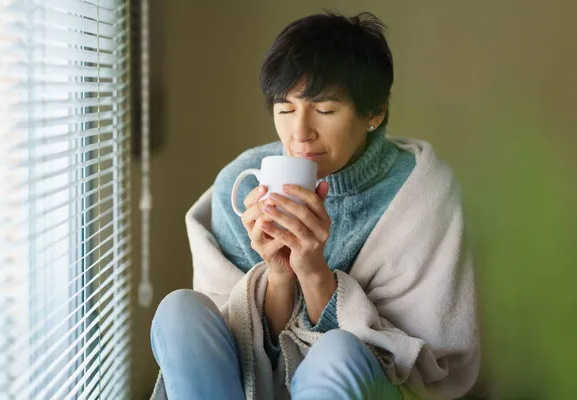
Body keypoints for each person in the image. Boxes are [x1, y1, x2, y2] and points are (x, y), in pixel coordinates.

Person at [150, 11, 481, 400]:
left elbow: (424, 362)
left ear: (375, 113)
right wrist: (278, 275)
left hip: (364, 383)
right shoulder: (240, 188)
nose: (300, 133)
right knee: (178, 313)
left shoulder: (421, 196)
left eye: (325, 110)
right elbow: (239, 352)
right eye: (285, 109)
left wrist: (314, 272)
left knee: (337, 352)